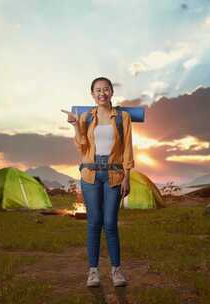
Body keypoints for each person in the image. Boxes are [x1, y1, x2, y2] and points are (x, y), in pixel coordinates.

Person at [61, 76, 134, 287]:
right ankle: (93, 272)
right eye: (98, 90)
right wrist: (75, 125)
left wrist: (127, 176)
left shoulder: (123, 117)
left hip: (114, 175)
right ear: (92, 94)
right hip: (90, 175)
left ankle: (116, 271)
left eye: (106, 89)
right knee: (94, 223)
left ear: (112, 92)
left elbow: (128, 147)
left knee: (110, 223)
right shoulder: (86, 117)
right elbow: (82, 146)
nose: (102, 93)